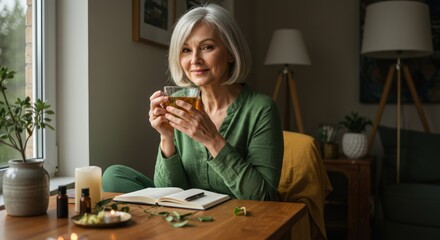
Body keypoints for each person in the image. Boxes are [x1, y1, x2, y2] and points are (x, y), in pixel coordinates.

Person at [102, 4, 283, 201]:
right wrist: (166, 137)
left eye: (207, 47)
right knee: (114, 175)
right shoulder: (181, 103)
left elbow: (264, 197)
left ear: (231, 52)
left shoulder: (261, 108)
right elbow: (168, 192)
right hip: (188, 212)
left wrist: (212, 140)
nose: (195, 59)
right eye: (186, 50)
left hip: (235, 216)